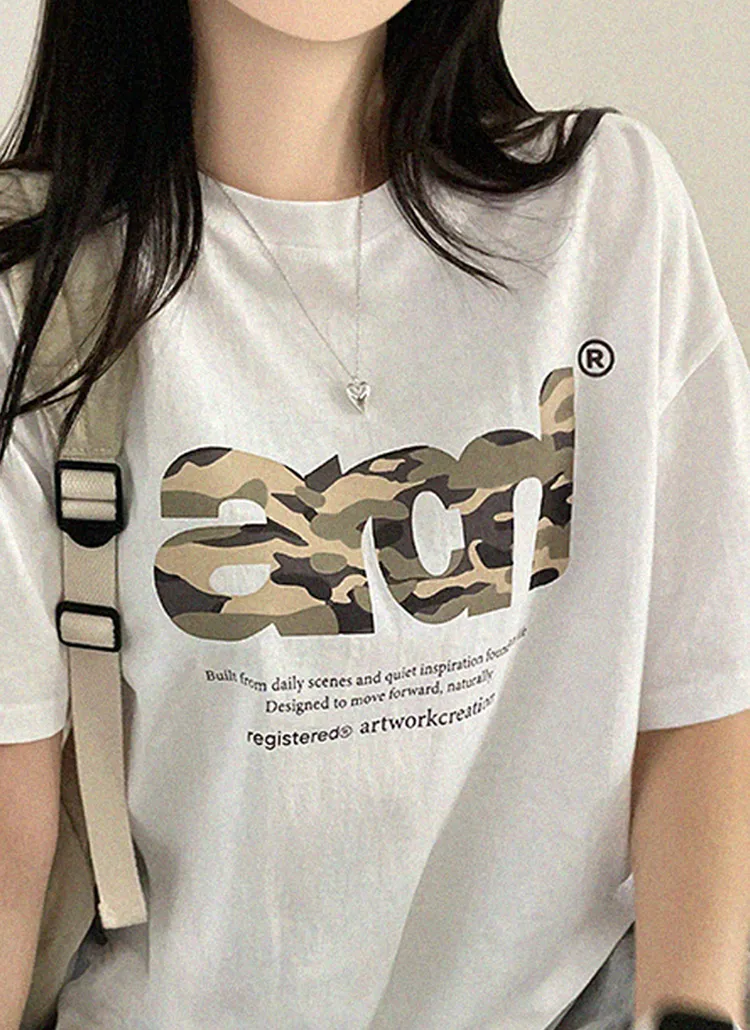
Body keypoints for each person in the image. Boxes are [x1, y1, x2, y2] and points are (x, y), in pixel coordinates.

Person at [1, 2, 748, 1029]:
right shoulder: (36, 296)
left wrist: (693, 1008)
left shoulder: (605, 212)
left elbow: (700, 694)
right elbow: (11, 823)